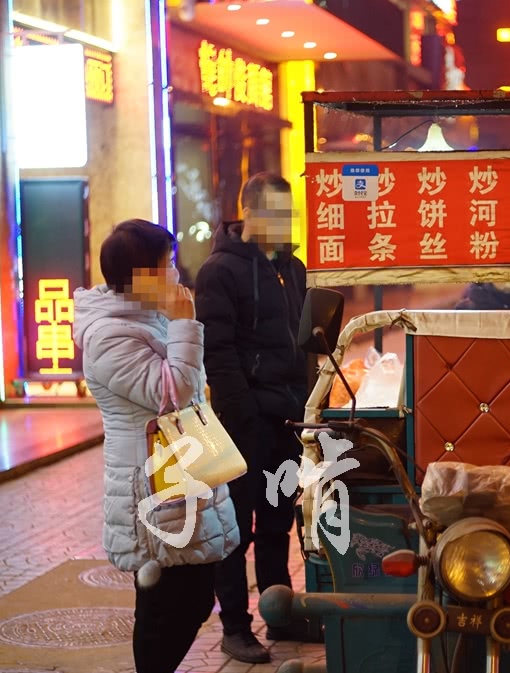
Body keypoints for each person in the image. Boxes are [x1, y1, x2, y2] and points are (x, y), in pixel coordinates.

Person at [73, 219, 240, 673]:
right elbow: (175, 393)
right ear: (140, 274)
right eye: (165, 264)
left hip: (178, 470)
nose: (175, 273)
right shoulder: (107, 336)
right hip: (153, 486)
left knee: (187, 600)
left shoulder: (148, 316)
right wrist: (186, 323)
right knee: (167, 607)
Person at [195, 173, 312, 663]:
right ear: (251, 214)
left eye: (291, 213)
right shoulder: (219, 271)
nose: (288, 224)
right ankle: (236, 627)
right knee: (235, 530)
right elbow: (217, 354)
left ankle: (279, 613)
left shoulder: (294, 268)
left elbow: (303, 339)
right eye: (278, 214)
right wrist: (242, 416)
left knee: (276, 524)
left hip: (286, 421)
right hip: (243, 425)